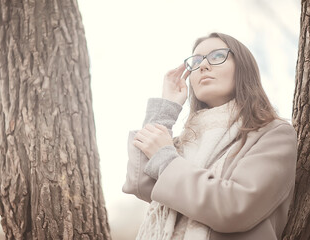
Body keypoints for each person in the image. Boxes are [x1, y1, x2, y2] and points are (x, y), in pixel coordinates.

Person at [122, 32, 297, 240]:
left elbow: (235, 207)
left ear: (242, 68)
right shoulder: (183, 142)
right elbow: (140, 182)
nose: (203, 65)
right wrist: (166, 109)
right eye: (196, 61)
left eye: (216, 56)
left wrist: (165, 158)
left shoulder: (273, 134)